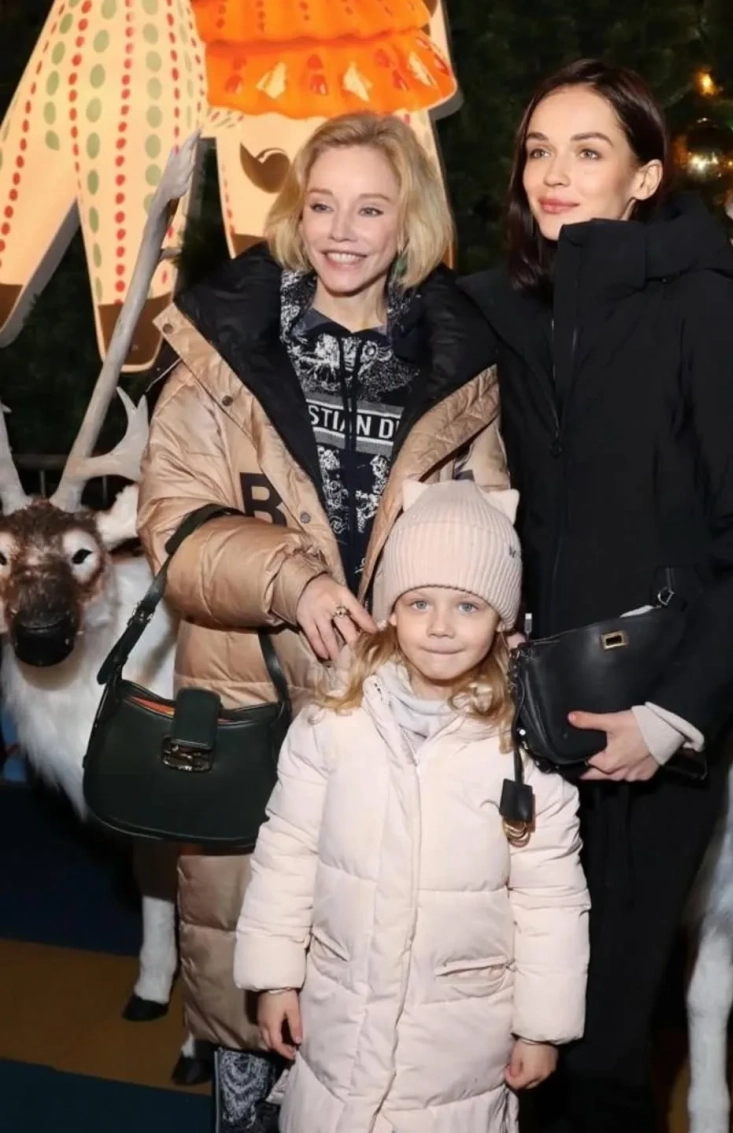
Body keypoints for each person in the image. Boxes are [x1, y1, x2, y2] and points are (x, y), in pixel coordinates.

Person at [137, 112, 507, 1132]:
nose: (343, 231)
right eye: (323, 204)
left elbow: (488, 532)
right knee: (248, 991)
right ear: (296, 214)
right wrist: (294, 580)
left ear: (408, 222)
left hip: (403, 720)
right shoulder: (221, 345)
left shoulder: (459, 360)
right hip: (253, 702)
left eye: (371, 208)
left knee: (376, 1017)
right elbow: (172, 526)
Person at [460, 59, 733, 1132]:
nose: (554, 175)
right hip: (515, 725)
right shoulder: (501, 310)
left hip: (647, 735)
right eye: (537, 151)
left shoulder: (703, 306)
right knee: (498, 1034)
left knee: (603, 1049)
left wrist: (669, 719)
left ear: (646, 176)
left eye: (588, 151)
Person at [234, 480, 590, 1132]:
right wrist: (274, 977)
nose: (441, 626)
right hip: (337, 1028)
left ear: (503, 619)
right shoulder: (334, 721)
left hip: (458, 1051)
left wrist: (542, 1026)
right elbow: (287, 851)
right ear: (391, 610)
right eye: (420, 601)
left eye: (468, 605)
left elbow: (551, 899)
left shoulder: (526, 746)